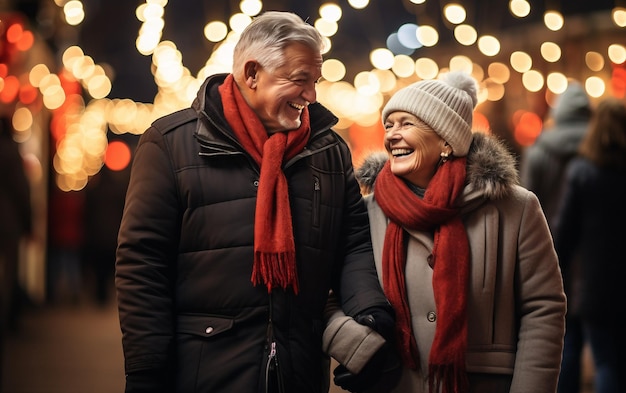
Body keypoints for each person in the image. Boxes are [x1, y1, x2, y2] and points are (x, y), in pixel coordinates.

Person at [115, 11, 395, 393]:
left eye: (315, 81)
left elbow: (353, 244)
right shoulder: (170, 144)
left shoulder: (328, 151)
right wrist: (146, 371)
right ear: (251, 74)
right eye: (300, 80)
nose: (311, 96)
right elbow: (142, 264)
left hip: (300, 370)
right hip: (204, 372)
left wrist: (370, 316)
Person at [324, 71, 566, 393]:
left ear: (446, 140)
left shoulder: (514, 209)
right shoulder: (367, 212)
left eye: (406, 123)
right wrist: (353, 344)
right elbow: (323, 294)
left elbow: (543, 309)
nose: (392, 135)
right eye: (389, 125)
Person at [519, 81, 592, 393]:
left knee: (564, 336)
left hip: (549, 248)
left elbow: (524, 201)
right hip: (594, 252)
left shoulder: (539, 150)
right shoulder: (603, 148)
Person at [553, 97, 626, 393]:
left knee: (605, 361)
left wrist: (555, 273)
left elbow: (565, 231)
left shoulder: (582, 171)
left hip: (595, 283)